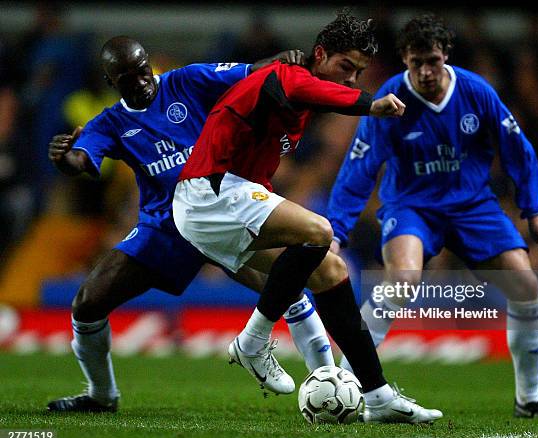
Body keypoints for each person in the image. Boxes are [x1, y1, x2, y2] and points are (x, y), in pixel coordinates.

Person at [174, 10, 443, 424]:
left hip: (223, 205)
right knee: (320, 230)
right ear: (320, 54)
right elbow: (316, 92)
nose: (351, 79)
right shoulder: (286, 74)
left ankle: (378, 394)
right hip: (209, 192)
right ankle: (253, 340)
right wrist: (372, 104)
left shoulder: (297, 101)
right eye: (345, 67)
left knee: (330, 269)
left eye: (358, 72)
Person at [46, 36, 335, 412]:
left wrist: (283, 59)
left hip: (218, 214)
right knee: (87, 304)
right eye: (128, 76)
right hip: (164, 228)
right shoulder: (111, 122)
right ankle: (102, 395)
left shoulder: (186, 81)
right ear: (111, 82)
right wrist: (63, 159)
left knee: (287, 285)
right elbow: (83, 161)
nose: (141, 79)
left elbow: (251, 72)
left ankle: (330, 381)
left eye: (142, 68)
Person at [326, 13, 538, 420]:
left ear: (446, 57)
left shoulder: (476, 92)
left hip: (472, 206)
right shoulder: (391, 98)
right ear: (405, 59)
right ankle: (347, 383)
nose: (425, 71)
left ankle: (529, 398)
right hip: (411, 206)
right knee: (401, 279)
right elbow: (360, 167)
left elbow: (519, 150)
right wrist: (336, 230)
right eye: (416, 62)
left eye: (433, 61)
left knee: (526, 283)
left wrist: (536, 210)